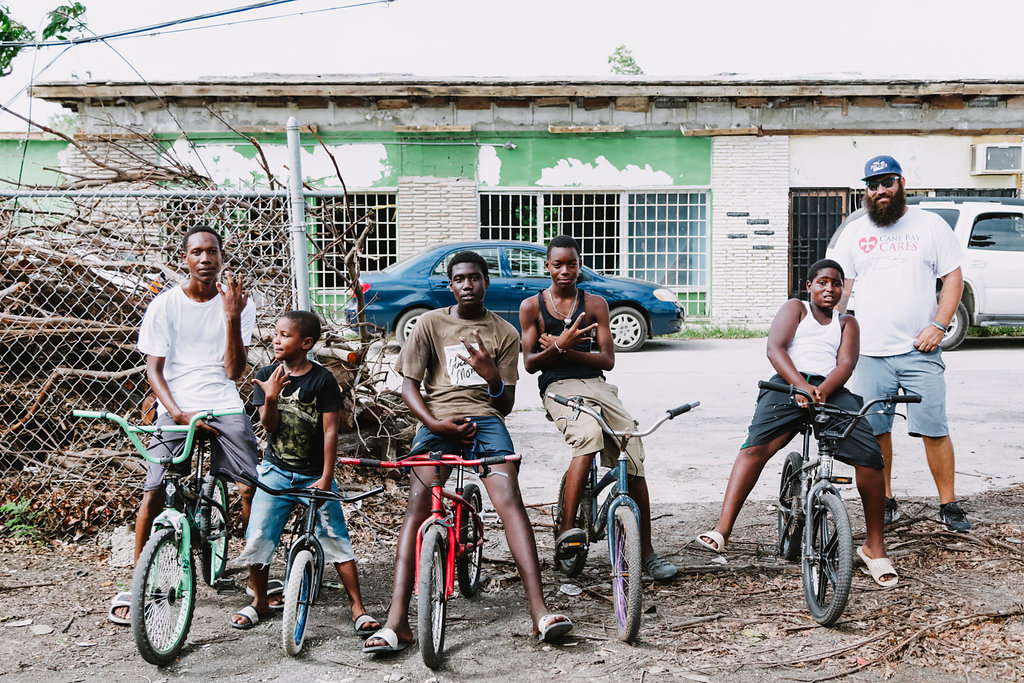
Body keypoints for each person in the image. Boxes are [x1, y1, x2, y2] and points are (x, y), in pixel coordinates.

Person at [362, 250, 572, 654]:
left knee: (509, 499)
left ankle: (540, 613)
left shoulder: (504, 333)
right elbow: (409, 386)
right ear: (450, 284)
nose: (467, 285)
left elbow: (504, 403)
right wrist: (434, 423)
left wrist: (492, 376)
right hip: (436, 420)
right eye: (459, 278)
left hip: (486, 422)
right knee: (419, 506)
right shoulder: (429, 323)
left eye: (475, 277)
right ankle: (396, 623)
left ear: (485, 282)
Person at [695, 259, 898, 587]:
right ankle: (723, 529)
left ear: (843, 289)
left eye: (836, 284)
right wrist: (800, 387)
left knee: (871, 458)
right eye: (822, 282)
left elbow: (845, 365)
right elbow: (775, 349)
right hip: (787, 384)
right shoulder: (796, 309)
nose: (829, 289)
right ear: (809, 286)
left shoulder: (847, 323)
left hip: (830, 389)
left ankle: (874, 546)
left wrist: (820, 392)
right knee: (755, 449)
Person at [109, 224, 260, 625]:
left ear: (221, 257)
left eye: (212, 251)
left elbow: (233, 372)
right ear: (185, 258)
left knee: (249, 487)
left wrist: (231, 317)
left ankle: (256, 583)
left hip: (222, 401)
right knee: (154, 489)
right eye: (197, 252)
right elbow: (153, 370)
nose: (205, 259)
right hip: (176, 405)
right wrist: (175, 412)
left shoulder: (239, 303)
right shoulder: (164, 305)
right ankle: (137, 582)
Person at [519, 234, 677, 582]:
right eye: (557, 264)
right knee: (587, 435)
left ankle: (646, 551)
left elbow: (606, 359)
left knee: (631, 446)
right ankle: (567, 529)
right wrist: (560, 347)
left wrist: (561, 347)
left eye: (571, 263)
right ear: (546, 266)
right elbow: (531, 364)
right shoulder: (533, 307)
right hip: (558, 386)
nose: (565, 270)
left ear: (579, 265)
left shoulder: (595, 304)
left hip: (597, 384)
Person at [827, 155, 970, 533]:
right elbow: (840, 285)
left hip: (919, 350)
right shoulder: (856, 231)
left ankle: (949, 505)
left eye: (886, 182)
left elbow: (953, 279)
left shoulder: (929, 225)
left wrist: (939, 326)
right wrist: (833, 331)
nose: (879, 191)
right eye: (872, 185)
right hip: (871, 351)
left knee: (934, 428)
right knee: (875, 431)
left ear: (901, 182)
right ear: (866, 191)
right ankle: (885, 500)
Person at [229, 310, 380, 633]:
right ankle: (259, 600)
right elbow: (268, 426)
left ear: (306, 343)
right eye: (275, 332)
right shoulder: (268, 374)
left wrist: (326, 477)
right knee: (258, 538)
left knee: (338, 541)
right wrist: (269, 398)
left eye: (285, 334)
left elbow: (330, 432)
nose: (276, 338)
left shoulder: (323, 380)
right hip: (276, 471)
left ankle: (357, 606)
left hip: (315, 473)